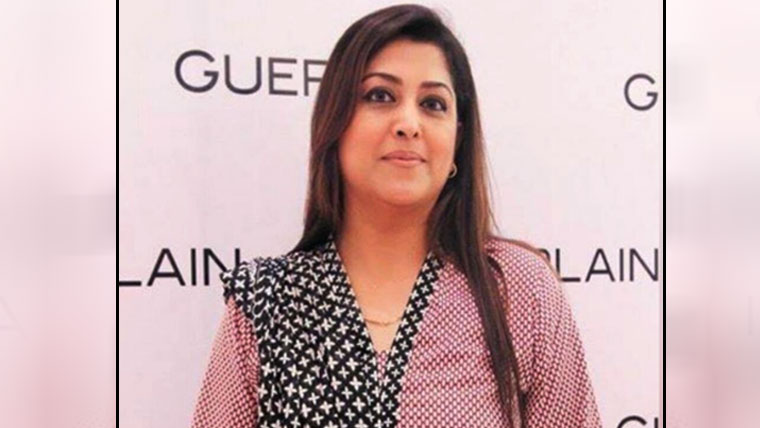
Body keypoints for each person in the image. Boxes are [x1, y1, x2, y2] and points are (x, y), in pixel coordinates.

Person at [191, 4, 601, 427]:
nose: (408, 123)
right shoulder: (267, 302)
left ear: (457, 140)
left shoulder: (516, 289)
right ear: (335, 121)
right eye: (380, 96)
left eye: (433, 104)